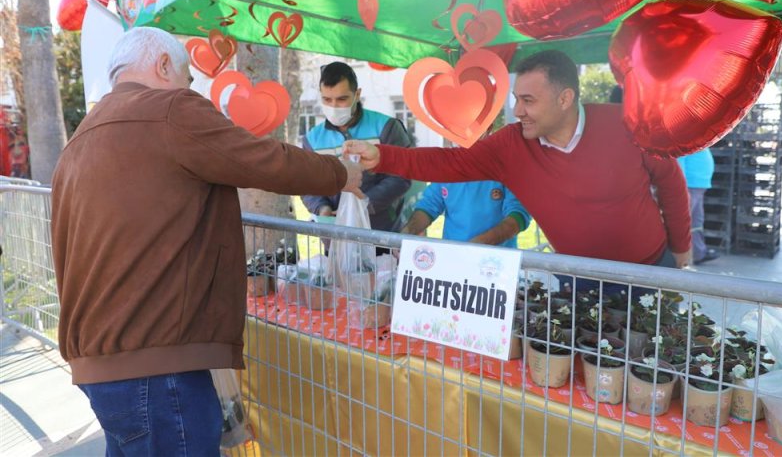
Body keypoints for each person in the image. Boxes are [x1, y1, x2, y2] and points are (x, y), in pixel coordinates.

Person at [50, 27, 363, 456]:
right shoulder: (171, 108)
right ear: (163, 66)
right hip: (156, 364)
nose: (192, 91)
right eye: (188, 78)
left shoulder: (81, 139)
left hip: (98, 363)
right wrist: (342, 174)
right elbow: (263, 159)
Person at [345, 50, 691, 273]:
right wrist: (384, 156)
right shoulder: (513, 144)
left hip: (651, 269)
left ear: (565, 98)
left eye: (528, 100)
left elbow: (672, 182)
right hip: (580, 277)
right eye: (516, 99)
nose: (518, 110)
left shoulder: (626, 125)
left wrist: (681, 248)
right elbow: (449, 163)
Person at [302, 62, 412, 237]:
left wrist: (365, 204)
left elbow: (401, 177)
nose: (334, 107)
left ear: (357, 94)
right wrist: (321, 207)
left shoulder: (386, 127)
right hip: (336, 236)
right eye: (327, 100)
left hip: (382, 234)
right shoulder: (312, 139)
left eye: (342, 99)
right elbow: (307, 184)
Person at [403, 180, 531, 248]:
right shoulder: (448, 164)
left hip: (496, 263)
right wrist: (407, 232)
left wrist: (479, 243)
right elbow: (428, 206)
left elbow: (518, 216)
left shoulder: (505, 163)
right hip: (454, 259)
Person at [677, 148, 718, 264]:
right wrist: (681, 186)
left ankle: (698, 253)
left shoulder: (697, 138)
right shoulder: (685, 138)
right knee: (681, 221)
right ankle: (672, 256)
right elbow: (679, 159)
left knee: (696, 222)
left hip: (697, 185)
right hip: (689, 186)